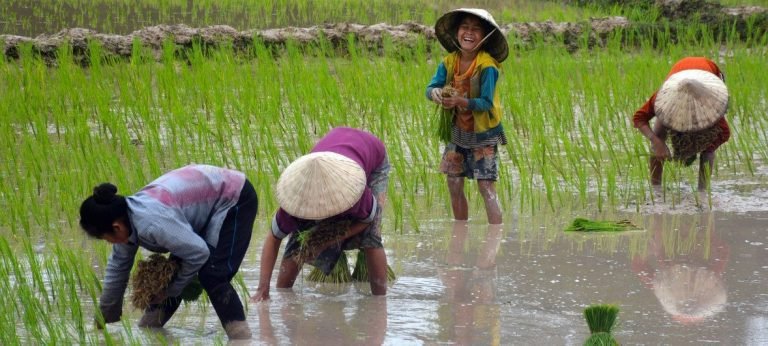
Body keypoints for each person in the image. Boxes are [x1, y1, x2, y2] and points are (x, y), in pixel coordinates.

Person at [79, 164, 258, 339]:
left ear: (116, 227)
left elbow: (199, 253)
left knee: (213, 275)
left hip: (233, 196)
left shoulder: (153, 224)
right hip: (204, 197)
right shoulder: (125, 220)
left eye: (105, 238)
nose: (109, 243)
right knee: (169, 275)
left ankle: (241, 338)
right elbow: (117, 269)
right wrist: (103, 320)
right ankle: (150, 330)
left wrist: (172, 290)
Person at [251, 127, 390, 302]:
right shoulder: (295, 202)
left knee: (372, 237)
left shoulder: (354, 192)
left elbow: (367, 220)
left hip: (371, 155)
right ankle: (283, 292)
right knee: (300, 240)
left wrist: (327, 241)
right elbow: (273, 238)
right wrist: (263, 288)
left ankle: (380, 302)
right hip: (325, 158)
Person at [426, 8, 508, 225]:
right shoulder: (449, 62)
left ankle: (495, 236)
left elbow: (486, 103)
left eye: (476, 29)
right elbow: (431, 86)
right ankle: (460, 233)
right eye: (465, 27)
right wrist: (434, 93)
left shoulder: (487, 67)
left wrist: (460, 101)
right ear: (456, 32)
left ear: (485, 36)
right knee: (453, 182)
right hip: (458, 132)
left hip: (484, 134)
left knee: (486, 188)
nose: (469, 33)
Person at [633, 57, 730, 192]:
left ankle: (702, 191)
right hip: (678, 82)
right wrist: (657, 142)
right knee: (659, 133)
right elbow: (639, 118)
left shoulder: (712, 106)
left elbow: (724, 134)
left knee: (709, 151)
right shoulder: (663, 98)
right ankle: (656, 189)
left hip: (708, 80)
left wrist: (701, 146)